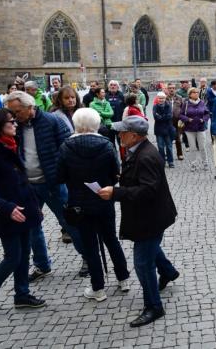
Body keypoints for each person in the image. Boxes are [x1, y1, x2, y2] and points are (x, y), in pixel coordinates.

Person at [95, 116, 180, 327]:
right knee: (150, 249)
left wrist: (116, 192)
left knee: (143, 264)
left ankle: (154, 306)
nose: (119, 135)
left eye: (122, 132)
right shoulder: (137, 151)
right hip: (148, 216)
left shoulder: (146, 156)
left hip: (150, 218)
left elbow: (148, 191)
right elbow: (140, 180)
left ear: (134, 136)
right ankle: (168, 272)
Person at [3, 91, 88, 280]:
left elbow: (69, 148)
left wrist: (62, 175)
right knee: (32, 227)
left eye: (16, 111)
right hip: (27, 186)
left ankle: (88, 257)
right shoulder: (14, 126)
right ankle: (42, 265)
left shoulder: (51, 121)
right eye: (10, 112)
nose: (13, 116)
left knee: (69, 222)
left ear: (29, 107)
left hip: (53, 184)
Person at [0, 109, 46, 318]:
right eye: (11, 122)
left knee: (24, 254)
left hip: (24, 208)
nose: (15, 124)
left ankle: (22, 294)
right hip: (8, 212)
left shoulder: (9, 144)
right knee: (13, 257)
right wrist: (7, 208)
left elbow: (21, 180)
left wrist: (35, 207)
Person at [56, 108, 130, 302]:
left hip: (79, 203)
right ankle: (123, 278)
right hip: (103, 198)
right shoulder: (106, 145)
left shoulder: (65, 147)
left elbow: (60, 176)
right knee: (111, 239)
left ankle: (98, 288)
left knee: (90, 245)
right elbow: (116, 172)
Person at [180, 87, 211, 171]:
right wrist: (187, 119)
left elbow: (207, 113)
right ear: (190, 94)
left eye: (197, 92)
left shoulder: (202, 102)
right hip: (189, 129)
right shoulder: (186, 103)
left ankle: (205, 163)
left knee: (202, 147)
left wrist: (203, 119)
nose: (196, 94)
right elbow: (181, 114)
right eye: (194, 92)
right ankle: (193, 164)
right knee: (192, 147)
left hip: (201, 128)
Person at [166, 83, 186, 161]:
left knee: (178, 138)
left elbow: (183, 109)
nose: (171, 89)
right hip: (167, 121)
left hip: (177, 121)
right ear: (168, 89)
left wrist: (182, 118)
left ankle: (180, 154)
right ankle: (169, 155)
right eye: (170, 88)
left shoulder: (179, 98)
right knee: (168, 139)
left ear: (175, 89)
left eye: (173, 88)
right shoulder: (165, 98)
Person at [106, 80, 126, 145]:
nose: (113, 86)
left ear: (117, 87)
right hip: (109, 123)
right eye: (111, 85)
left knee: (121, 142)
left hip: (119, 122)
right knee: (110, 142)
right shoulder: (105, 96)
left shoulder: (121, 95)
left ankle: (123, 155)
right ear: (109, 87)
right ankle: (113, 154)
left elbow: (125, 108)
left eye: (114, 85)